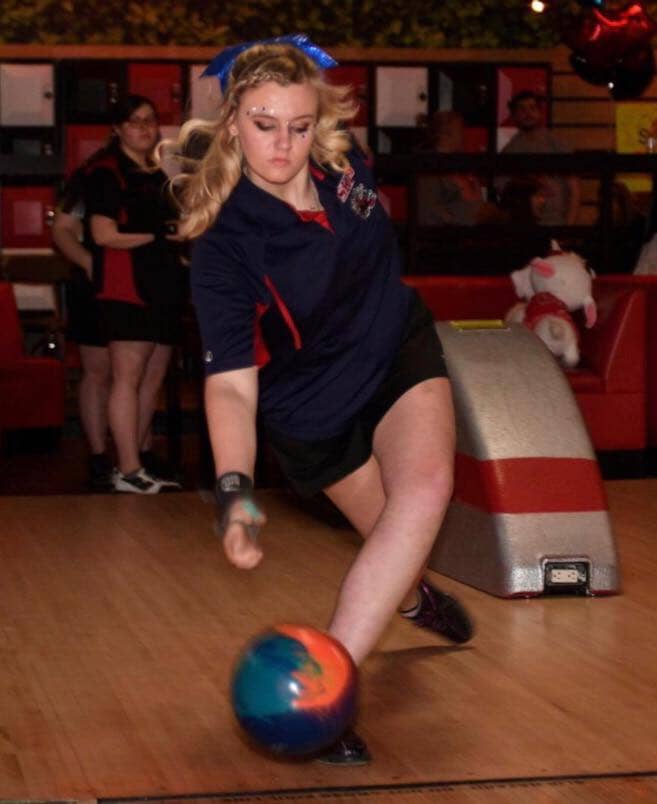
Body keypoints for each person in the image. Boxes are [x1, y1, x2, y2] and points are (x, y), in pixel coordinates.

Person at [173, 38, 474, 765]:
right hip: (313, 407)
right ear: (233, 121)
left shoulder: (345, 166)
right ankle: (411, 598)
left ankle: (324, 695)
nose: (282, 143)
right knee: (387, 540)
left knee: (424, 490)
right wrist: (234, 494)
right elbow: (231, 383)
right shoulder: (226, 245)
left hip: (395, 348)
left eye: (298, 125)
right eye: (263, 122)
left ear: (320, 123)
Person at [83, 95, 186, 494]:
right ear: (118, 128)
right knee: (126, 377)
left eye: (149, 120)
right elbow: (102, 235)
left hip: (161, 284)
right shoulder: (107, 172)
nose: (144, 128)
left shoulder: (156, 171)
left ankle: (138, 462)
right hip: (126, 286)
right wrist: (160, 235)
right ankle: (125, 469)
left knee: (152, 377)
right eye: (134, 121)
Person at [52, 169, 114, 490]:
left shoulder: (155, 174)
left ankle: (137, 454)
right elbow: (61, 229)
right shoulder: (91, 175)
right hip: (96, 283)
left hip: (143, 282)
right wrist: (89, 262)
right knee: (98, 371)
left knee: (138, 373)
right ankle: (99, 454)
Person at [499, 90, 581, 226]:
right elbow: (504, 191)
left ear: (540, 112)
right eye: (522, 109)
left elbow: (574, 187)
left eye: (532, 108)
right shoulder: (509, 151)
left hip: (557, 223)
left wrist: (569, 227)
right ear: (514, 115)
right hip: (525, 227)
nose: (528, 113)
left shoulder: (556, 143)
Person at [417, 110, 503, 226]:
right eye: (460, 130)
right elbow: (428, 213)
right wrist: (466, 221)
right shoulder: (429, 170)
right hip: (453, 238)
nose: (464, 135)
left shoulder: (461, 164)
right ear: (445, 134)